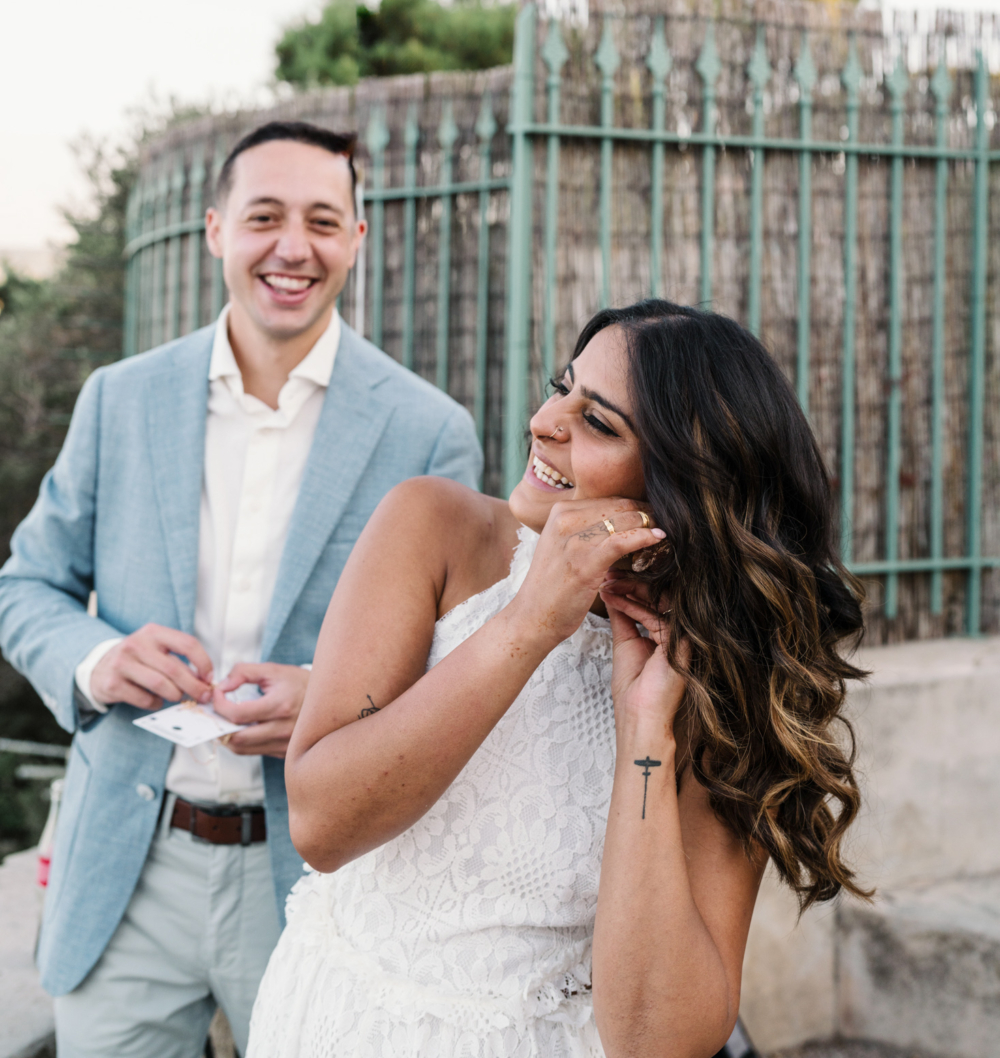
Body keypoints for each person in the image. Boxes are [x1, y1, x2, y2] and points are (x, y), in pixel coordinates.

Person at [247, 299, 868, 1058]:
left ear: (684, 483)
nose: (543, 421)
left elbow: (657, 1039)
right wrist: (530, 622)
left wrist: (646, 732)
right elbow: (322, 825)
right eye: (559, 387)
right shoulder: (433, 529)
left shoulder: (713, 676)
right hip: (339, 1022)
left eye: (598, 422)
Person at [0, 120, 482, 1058]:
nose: (292, 246)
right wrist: (100, 659)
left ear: (358, 239)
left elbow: (458, 667)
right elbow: (26, 586)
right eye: (264, 216)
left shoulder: (431, 433)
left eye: (321, 220)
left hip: (320, 881)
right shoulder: (119, 398)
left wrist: (337, 699)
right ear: (217, 229)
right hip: (128, 876)